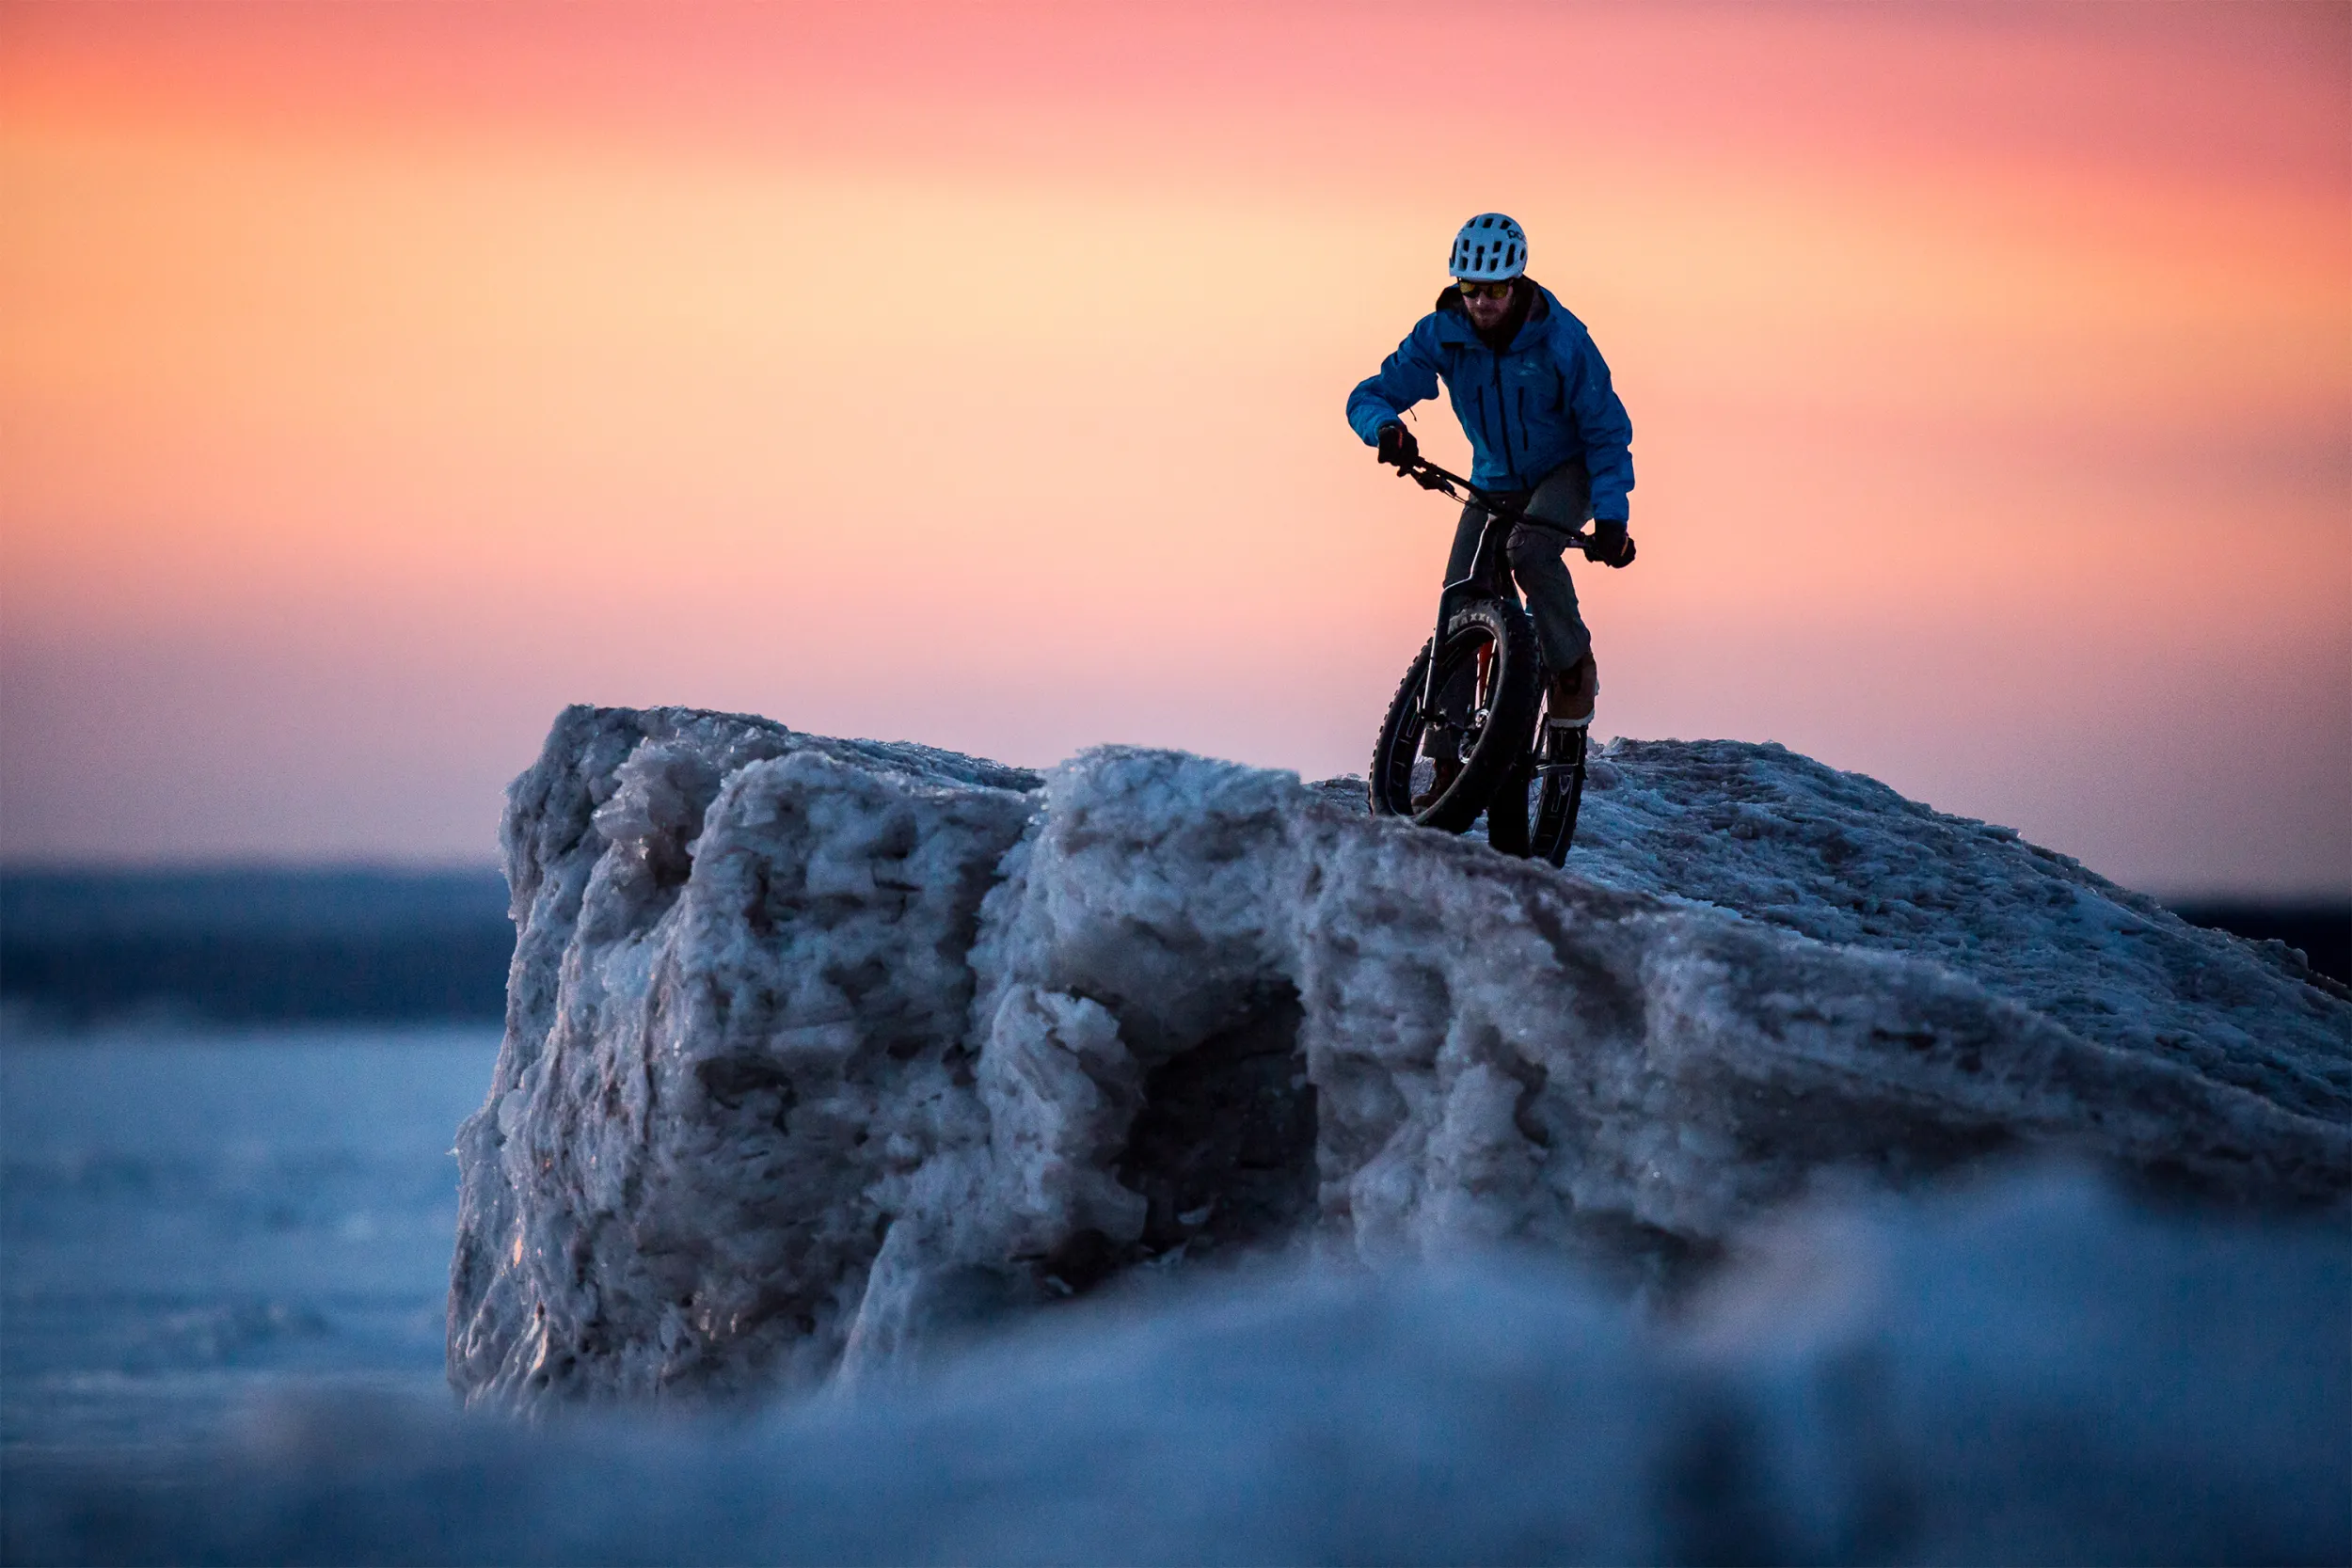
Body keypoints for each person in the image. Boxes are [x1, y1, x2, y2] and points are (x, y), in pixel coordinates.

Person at [1346, 213, 1635, 783]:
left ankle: (1571, 666)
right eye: (1470, 288)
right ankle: (1448, 754)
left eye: (1495, 289)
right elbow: (1370, 394)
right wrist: (1386, 430)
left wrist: (1611, 516)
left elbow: (1606, 430)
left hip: (1565, 470)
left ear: (1517, 282)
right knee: (1459, 595)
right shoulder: (1442, 333)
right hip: (1494, 475)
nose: (1482, 302)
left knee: (1529, 549)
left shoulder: (1562, 339)